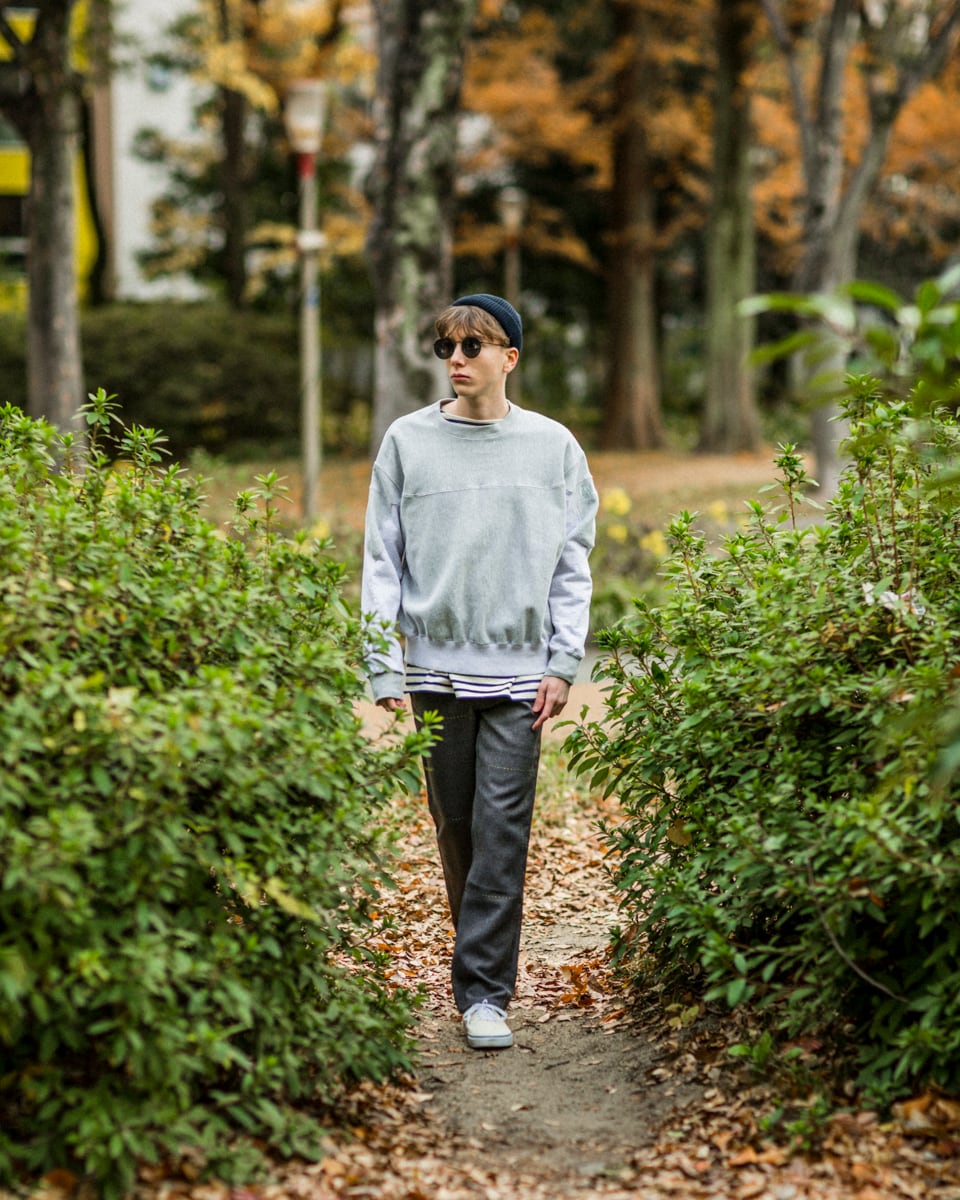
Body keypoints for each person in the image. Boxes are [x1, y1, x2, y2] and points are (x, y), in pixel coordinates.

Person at [361, 293, 598, 1050]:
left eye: (473, 346)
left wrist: (563, 661)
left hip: (522, 678)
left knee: (502, 832)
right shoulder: (407, 441)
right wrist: (383, 664)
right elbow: (381, 560)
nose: (456, 359)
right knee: (457, 828)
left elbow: (572, 564)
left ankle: (484, 994)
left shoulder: (553, 447)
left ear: (509, 358)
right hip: (434, 673)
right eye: (447, 347)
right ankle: (480, 971)